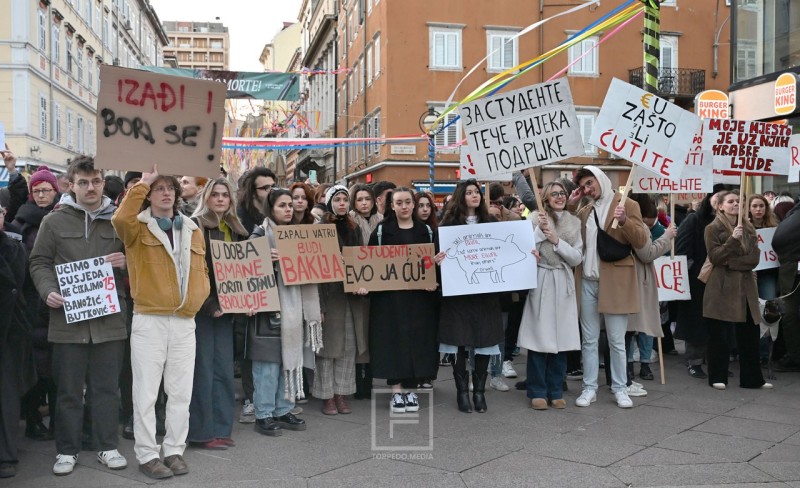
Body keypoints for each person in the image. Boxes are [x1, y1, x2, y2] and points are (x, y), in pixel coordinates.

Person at [29, 157, 129, 475]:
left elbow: (142, 255)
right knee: (68, 390)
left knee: (105, 388)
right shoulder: (54, 222)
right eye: (83, 182)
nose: (90, 187)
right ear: (71, 185)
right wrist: (47, 291)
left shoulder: (120, 221)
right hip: (67, 322)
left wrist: (127, 263)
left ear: (103, 182)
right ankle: (67, 451)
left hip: (109, 320)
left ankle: (107, 446)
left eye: (96, 181)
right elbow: (39, 262)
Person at [112, 164, 210, 480]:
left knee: (180, 391)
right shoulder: (136, 226)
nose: (166, 193)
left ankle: (174, 450)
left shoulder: (193, 229)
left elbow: (201, 269)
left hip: (184, 320)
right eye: (159, 189)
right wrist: (144, 182)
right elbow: (120, 219)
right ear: (150, 195)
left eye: (169, 188)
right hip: (150, 319)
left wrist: (200, 294)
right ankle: (147, 454)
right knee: (146, 392)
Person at [567, 166, 649, 409]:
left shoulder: (628, 204)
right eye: (583, 186)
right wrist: (572, 205)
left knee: (616, 339)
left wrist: (624, 221)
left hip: (616, 281)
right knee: (589, 340)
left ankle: (620, 388)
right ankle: (589, 387)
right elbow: (569, 231)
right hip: (588, 281)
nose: (587, 189)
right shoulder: (585, 209)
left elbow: (641, 241)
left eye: (590, 183)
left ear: (601, 179)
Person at [247, 189, 321, 436]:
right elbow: (243, 270)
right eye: (282, 205)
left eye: (290, 205)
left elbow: (315, 268)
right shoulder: (258, 235)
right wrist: (264, 258)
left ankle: (283, 408)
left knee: (290, 361)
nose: (289, 209)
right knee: (267, 366)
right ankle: (264, 414)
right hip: (267, 312)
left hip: (293, 309)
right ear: (271, 209)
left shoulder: (301, 236)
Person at [186, 179, 248, 450]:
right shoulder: (195, 225)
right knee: (202, 371)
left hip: (229, 311)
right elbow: (193, 271)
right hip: (203, 310)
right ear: (206, 198)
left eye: (225, 195)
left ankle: (222, 429)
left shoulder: (238, 230)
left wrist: (248, 299)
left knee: (223, 370)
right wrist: (211, 305)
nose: (221, 199)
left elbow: (246, 271)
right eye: (215, 195)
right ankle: (201, 432)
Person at [434, 179, 503, 413]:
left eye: (477, 192)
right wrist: (438, 262)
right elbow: (437, 256)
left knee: (484, 339)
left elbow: (504, 250)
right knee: (459, 341)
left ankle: (480, 392)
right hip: (458, 295)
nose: (475, 196)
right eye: (470, 192)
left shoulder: (491, 222)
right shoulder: (447, 226)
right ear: (461, 196)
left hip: (484, 294)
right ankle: (462, 392)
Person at [368, 187, 439, 412]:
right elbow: (369, 263)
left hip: (419, 299)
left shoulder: (425, 230)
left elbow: (432, 263)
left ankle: (411, 389)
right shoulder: (381, 231)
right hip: (390, 300)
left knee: (417, 341)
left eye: (408, 202)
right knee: (393, 341)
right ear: (392, 206)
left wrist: (434, 273)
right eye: (399, 203)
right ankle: (396, 390)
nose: (405, 206)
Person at [518, 181, 583, 410]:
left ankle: (556, 389)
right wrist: (538, 231)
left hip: (563, 281)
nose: (559, 197)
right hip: (542, 279)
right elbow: (523, 248)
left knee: (561, 340)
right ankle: (536, 390)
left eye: (562, 193)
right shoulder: (534, 219)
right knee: (539, 338)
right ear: (545, 197)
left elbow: (577, 258)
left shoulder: (574, 223)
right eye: (554, 194)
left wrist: (557, 241)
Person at [6, 165, 59, 442]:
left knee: (57, 367)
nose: (41, 195)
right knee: (34, 366)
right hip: (29, 302)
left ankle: (57, 420)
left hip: (59, 302)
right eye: (36, 190)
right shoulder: (21, 222)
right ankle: (34, 419)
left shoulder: (64, 218)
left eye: (46, 190)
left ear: (55, 191)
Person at [703, 190, 771, 390]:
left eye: (739, 201)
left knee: (750, 332)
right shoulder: (712, 228)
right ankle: (717, 376)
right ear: (720, 206)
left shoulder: (749, 227)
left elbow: (754, 258)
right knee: (720, 334)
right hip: (722, 286)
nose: (735, 204)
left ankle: (752, 379)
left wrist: (731, 263)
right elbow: (715, 257)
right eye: (731, 201)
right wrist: (732, 240)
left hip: (746, 285)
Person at [312, 185, 368, 415]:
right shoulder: (320, 228)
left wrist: (362, 282)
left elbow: (361, 258)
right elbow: (315, 265)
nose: (342, 203)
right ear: (329, 203)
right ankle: (326, 396)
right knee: (328, 348)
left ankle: (341, 394)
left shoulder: (354, 228)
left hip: (350, 297)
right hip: (329, 295)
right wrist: (319, 305)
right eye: (338, 199)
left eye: (345, 199)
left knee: (348, 347)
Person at [0, 204, 36, 479]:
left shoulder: (13, 248)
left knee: (6, 395)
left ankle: (6, 454)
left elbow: (21, 289)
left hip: (9, 331)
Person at [626, 194, 675, 391]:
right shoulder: (638, 227)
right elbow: (647, 254)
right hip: (638, 280)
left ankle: (638, 363)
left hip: (635, 280)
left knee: (636, 325)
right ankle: (631, 365)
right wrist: (667, 237)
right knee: (635, 324)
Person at [674, 191, 721, 379]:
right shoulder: (694, 220)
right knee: (697, 320)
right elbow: (682, 248)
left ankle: (716, 360)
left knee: (718, 321)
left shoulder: (733, 224)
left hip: (722, 280)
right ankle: (694, 361)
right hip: (698, 280)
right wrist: (691, 274)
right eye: (717, 199)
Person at [348, 183, 381, 399]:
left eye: (367, 199)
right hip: (357, 286)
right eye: (359, 199)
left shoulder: (382, 222)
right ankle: (359, 382)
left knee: (372, 333)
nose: (363, 203)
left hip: (378, 285)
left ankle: (369, 378)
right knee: (358, 332)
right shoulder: (350, 223)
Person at [236, 168, 276, 233]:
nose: (272, 191)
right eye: (266, 187)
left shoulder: (277, 213)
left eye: (273, 186)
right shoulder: (239, 219)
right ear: (253, 192)